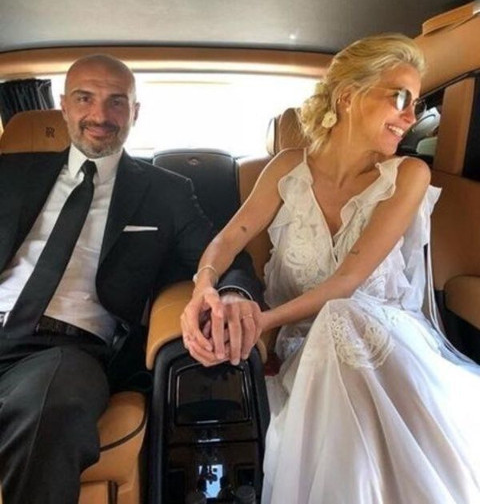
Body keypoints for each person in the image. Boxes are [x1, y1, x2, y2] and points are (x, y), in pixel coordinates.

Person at [181, 34, 480, 503]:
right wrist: (204, 287)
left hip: (391, 348)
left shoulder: (408, 176)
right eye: (399, 98)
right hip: (304, 353)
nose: (410, 117)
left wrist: (261, 320)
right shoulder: (285, 169)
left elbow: (348, 281)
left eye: (416, 103)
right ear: (347, 96)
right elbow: (228, 239)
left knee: (341, 315)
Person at [0, 54, 262, 504]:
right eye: (85, 98)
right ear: (64, 105)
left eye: (116, 102)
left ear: (135, 112)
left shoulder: (166, 191)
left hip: (65, 352)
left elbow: (224, 255)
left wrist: (233, 293)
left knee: (52, 407)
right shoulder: (10, 173)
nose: (100, 115)